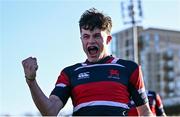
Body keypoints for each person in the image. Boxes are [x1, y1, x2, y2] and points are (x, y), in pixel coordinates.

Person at [22, 8, 153, 116]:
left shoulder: (129, 68)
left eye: (96, 36)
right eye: (86, 36)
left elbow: (145, 112)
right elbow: (50, 111)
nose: (90, 41)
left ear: (108, 39)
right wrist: (31, 81)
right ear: (81, 40)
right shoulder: (70, 73)